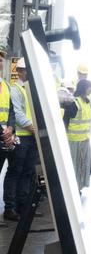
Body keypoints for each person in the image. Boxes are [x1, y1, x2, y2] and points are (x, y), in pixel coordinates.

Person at [3, 58, 40, 221]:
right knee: (15, 172)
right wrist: (33, 128)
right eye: (25, 69)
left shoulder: (29, 89)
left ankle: (23, 206)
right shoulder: (16, 89)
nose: (28, 72)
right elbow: (17, 114)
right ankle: (9, 208)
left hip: (31, 138)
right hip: (21, 137)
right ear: (19, 71)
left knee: (28, 172)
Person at [62, 79, 91, 192]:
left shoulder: (87, 102)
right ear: (84, 88)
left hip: (85, 139)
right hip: (74, 140)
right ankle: (73, 189)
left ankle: (79, 187)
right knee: (74, 166)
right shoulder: (74, 103)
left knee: (82, 166)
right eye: (90, 87)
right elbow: (65, 121)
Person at [0, 47, 16, 228]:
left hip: (4, 136)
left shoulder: (5, 85)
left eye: (1, 59)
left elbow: (10, 110)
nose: (0, 62)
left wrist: (11, 128)